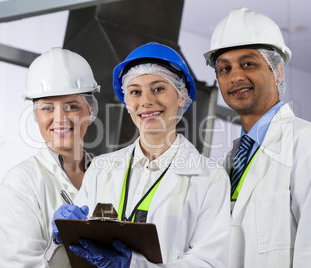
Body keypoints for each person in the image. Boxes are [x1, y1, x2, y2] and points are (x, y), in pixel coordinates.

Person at [46, 42, 231, 267]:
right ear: (126, 102)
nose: (146, 101)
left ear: (181, 96)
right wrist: (63, 232)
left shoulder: (210, 177)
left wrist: (132, 265)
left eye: (158, 88)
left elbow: (210, 263)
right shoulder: (101, 168)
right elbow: (77, 252)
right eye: (135, 92)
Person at [203, 7, 311, 267]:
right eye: (224, 68)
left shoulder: (310, 146)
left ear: (278, 71)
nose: (235, 76)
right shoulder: (233, 158)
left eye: (248, 63)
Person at [0, 47, 100, 267]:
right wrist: (55, 244)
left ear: (90, 110)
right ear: (36, 116)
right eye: (48, 108)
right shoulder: (20, 183)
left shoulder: (108, 176)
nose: (60, 118)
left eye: (72, 107)